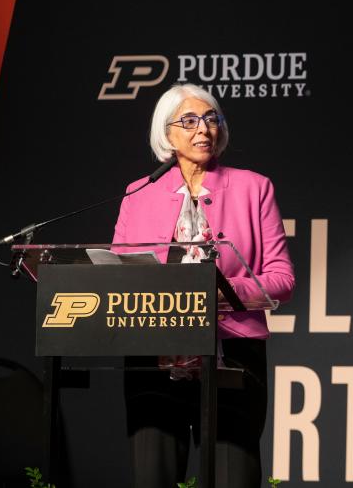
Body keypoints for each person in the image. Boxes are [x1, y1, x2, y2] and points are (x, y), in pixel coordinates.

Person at [112, 83, 295, 487]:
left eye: (212, 119)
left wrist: (223, 293)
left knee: (234, 477)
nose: (204, 129)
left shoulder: (255, 188)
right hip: (154, 358)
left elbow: (282, 279)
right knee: (153, 477)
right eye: (190, 120)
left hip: (232, 357)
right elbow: (118, 277)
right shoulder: (137, 195)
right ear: (167, 133)